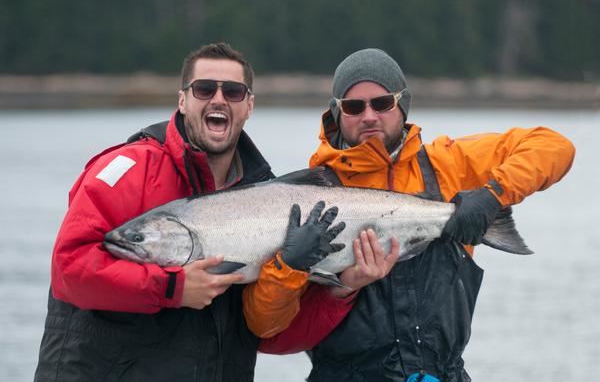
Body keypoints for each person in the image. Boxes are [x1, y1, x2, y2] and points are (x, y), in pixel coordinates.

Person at [33, 42, 396, 382]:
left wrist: (342, 288)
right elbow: (69, 270)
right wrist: (173, 288)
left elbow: (270, 336)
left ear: (249, 105)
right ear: (182, 100)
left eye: (233, 92)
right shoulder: (129, 170)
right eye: (204, 89)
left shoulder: (269, 198)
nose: (218, 99)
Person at [259, 48, 576, 381]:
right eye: (354, 107)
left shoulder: (447, 164)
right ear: (337, 113)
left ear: (403, 105)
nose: (369, 116)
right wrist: (299, 269)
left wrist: (492, 195)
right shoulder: (307, 193)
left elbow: (553, 145)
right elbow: (266, 328)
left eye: (382, 103)